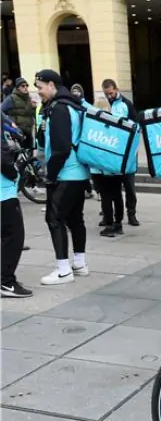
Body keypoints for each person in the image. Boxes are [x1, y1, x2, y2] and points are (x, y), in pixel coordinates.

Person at [34, 69, 90, 286]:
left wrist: (51, 176)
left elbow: (60, 149)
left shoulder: (59, 109)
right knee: (75, 219)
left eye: (40, 87)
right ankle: (80, 263)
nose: (38, 92)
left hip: (65, 173)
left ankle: (63, 270)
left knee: (54, 219)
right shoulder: (74, 105)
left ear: (51, 85)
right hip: (79, 173)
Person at [1, 116, 33, 297]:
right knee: (13, 237)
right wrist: (14, 173)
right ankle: (6, 282)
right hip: (3, 192)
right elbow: (2, 156)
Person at [102, 79, 140, 226]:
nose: (109, 96)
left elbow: (136, 125)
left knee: (129, 186)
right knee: (113, 187)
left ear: (116, 89)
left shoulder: (126, 104)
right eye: (106, 94)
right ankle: (110, 216)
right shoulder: (104, 104)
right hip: (112, 151)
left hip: (127, 151)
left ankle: (132, 214)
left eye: (110, 93)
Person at [2, 77, 36, 148]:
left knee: (29, 151)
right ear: (18, 88)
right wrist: (10, 123)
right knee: (22, 152)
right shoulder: (11, 98)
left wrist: (33, 107)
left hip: (28, 130)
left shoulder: (28, 98)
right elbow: (1, 111)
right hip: (18, 130)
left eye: (27, 85)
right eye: (23, 86)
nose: (25, 87)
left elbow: (30, 113)